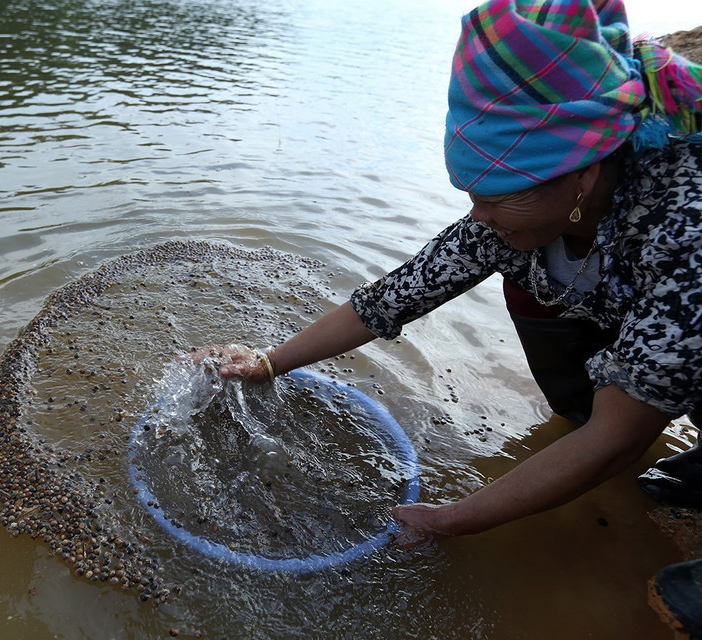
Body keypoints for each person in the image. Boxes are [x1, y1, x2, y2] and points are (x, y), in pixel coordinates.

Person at [192, 0, 702, 633]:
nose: (477, 217)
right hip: (649, 316)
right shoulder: (513, 216)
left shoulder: (685, 226)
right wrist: (268, 362)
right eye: (471, 199)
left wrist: (453, 518)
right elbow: (388, 300)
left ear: (581, 178)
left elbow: (620, 432)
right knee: (536, 292)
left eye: (492, 201)